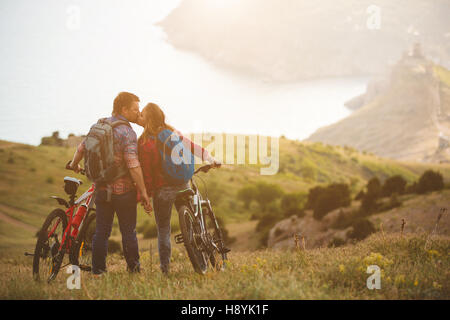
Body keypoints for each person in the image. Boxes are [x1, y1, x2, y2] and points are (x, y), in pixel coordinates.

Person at [69, 91, 152, 275]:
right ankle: (134, 270)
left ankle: (98, 270)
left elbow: (82, 148)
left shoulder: (98, 126)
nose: (137, 113)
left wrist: (74, 164)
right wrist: (144, 191)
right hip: (124, 192)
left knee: (101, 232)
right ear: (123, 109)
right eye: (134, 109)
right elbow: (133, 165)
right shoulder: (127, 132)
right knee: (128, 232)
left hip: (101, 189)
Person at [137, 102, 220, 275]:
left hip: (163, 190)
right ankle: (201, 257)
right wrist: (210, 159)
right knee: (192, 225)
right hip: (183, 184)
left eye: (142, 114)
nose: (139, 116)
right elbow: (193, 147)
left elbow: (146, 172)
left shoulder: (144, 142)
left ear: (148, 119)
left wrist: (146, 195)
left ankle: (165, 270)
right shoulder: (172, 133)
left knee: (163, 230)